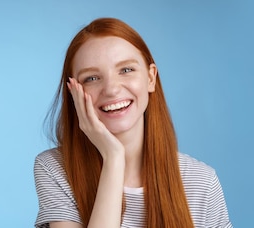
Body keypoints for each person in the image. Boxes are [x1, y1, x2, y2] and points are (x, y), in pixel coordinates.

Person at [33, 17, 233, 228]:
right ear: (73, 92)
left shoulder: (202, 181)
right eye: (91, 78)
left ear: (150, 78)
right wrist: (113, 158)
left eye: (126, 70)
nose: (111, 89)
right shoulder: (54, 169)